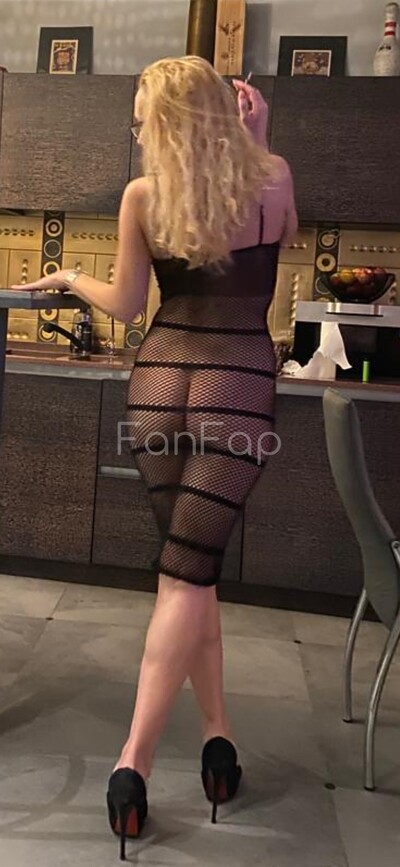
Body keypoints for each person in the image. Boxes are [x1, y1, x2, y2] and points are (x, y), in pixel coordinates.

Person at [13, 56, 297, 860]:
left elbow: (129, 304)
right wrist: (259, 141)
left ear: (164, 124)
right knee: (189, 573)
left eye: (142, 116)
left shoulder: (145, 196)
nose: (136, 128)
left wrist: (73, 276)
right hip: (237, 387)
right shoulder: (273, 178)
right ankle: (132, 764)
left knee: (189, 572)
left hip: (159, 384)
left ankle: (217, 739)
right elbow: (277, 252)